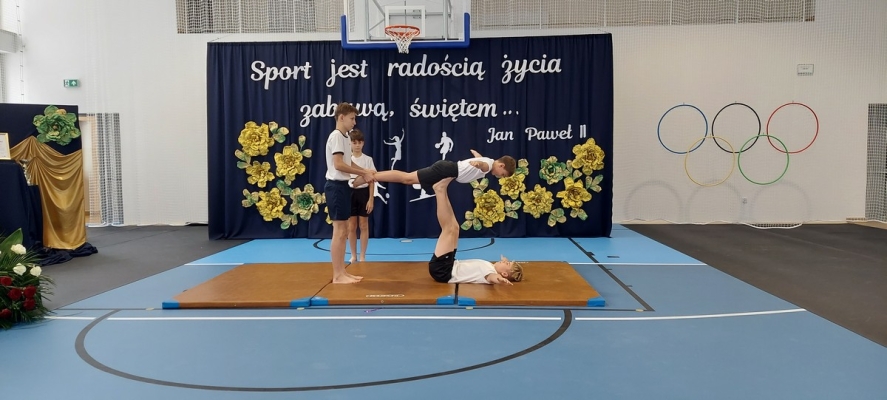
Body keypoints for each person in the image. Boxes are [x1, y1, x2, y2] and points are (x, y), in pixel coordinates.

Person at [428, 178, 523, 285]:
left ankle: (440, 191)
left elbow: (493, 278)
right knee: (455, 228)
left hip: (443, 270)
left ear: (504, 274)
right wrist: (505, 265)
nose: (505, 261)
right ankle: (442, 190)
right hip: (450, 264)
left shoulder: (490, 272)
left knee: (448, 229)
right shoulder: (490, 266)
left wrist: (499, 279)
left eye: (507, 264)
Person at [325, 102, 375, 284]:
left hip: (343, 186)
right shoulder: (337, 136)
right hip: (336, 187)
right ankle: (338, 275)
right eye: (352, 118)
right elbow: (339, 164)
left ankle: (342, 272)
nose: (354, 122)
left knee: (344, 230)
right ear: (341, 117)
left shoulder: (344, 137)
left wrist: (364, 171)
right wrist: (363, 173)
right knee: (339, 231)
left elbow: (348, 163)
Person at [351, 149, 516, 194]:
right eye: (502, 174)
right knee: (407, 178)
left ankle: (371, 175)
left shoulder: (489, 161)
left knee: (407, 178)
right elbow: (483, 165)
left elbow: (482, 160)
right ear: (501, 166)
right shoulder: (487, 165)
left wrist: (477, 157)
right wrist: (478, 163)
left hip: (448, 170)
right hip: (447, 170)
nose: (498, 176)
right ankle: (369, 175)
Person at [347, 128, 376, 263]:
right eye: (354, 142)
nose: (357, 145)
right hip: (350, 193)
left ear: (363, 143)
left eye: (359, 142)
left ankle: (363, 255)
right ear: (350, 144)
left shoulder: (368, 160)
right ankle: (353, 255)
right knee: (351, 226)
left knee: (364, 225)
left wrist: (371, 199)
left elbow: (372, 181)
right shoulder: (347, 160)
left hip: (364, 193)